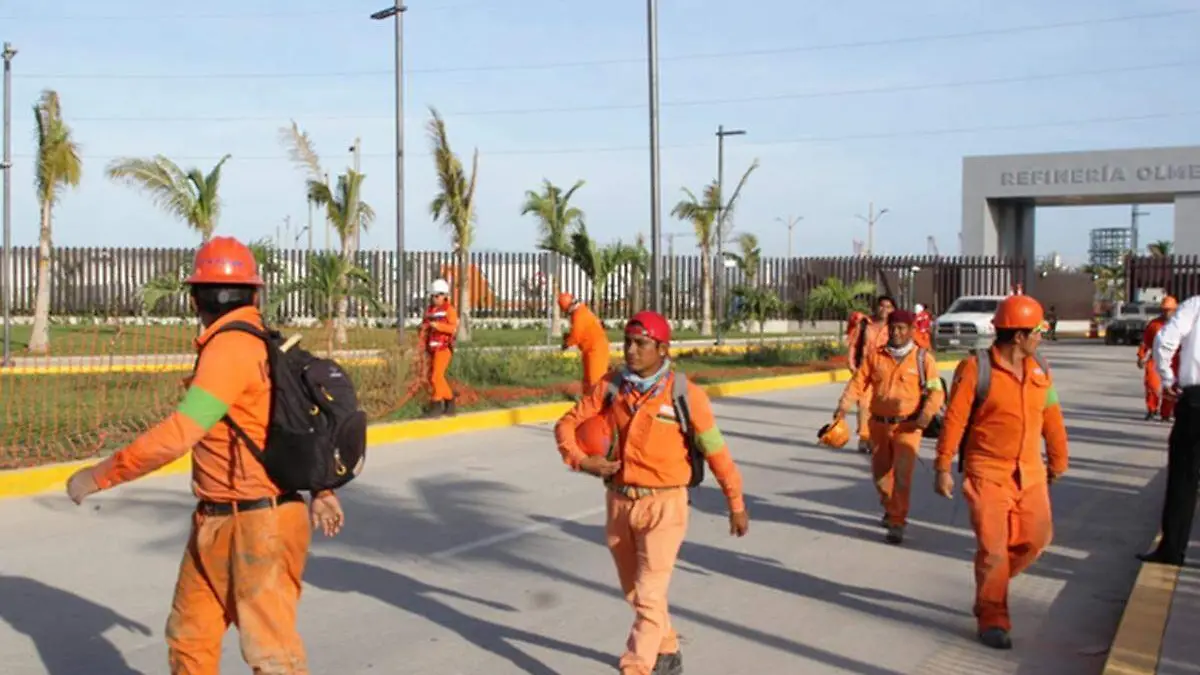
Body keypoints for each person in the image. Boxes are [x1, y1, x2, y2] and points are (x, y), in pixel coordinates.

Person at [63, 236, 345, 674]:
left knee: (272, 656)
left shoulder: (229, 349)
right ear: (254, 293)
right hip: (221, 518)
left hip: (256, 525)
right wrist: (321, 487)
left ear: (197, 299)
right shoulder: (263, 342)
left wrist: (101, 474)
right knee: (190, 638)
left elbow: (182, 432)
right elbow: (290, 420)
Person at [553, 310, 749, 675]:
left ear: (662, 348)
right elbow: (566, 424)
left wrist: (735, 502)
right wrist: (582, 461)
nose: (630, 350)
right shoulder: (611, 386)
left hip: (665, 506)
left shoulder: (685, 396)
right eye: (627, 342)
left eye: (640, 344)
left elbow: (716, 451)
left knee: (648, 592)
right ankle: (668, 649)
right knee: (636, 593)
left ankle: (636, 666)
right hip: (618, 502)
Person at [933, 294, 1068, 650]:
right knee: (993, 549)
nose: (1042, 335)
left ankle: (991, 587)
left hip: (1030, 473)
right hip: (987, 473)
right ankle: (993, 616)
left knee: (1036, 540)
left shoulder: (1040, 367)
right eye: (1038, 330)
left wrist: (1058, 458)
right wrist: (943, 466)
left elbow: (1051, 416)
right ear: (1019, 336)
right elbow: (955, 421)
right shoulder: (977, 370)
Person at [833, 309, 943, 544]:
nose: (896, 332)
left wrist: (926, 414)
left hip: (908, 428)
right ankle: (890, 505)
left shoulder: (924, 360)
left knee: (903, 476)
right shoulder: (876, 356)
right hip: (879, 426)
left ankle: (897, 521)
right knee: (881, 476)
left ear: (912, 331)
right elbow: (858, 383)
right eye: (893, 328)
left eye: (902, 328)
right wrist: (843, 407)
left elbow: (936, 391)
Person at [1140, 293, 1200, 566]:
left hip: (1195, 400)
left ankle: (1172, 549)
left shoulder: (1195, 306)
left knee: (1184, 478)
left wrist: (1168, 378)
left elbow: (1164, 341)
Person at [846, 295, 896, 453]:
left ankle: (879, 438)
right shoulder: (865, 324)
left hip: (886, 372)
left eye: (888, 307)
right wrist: (852, 364)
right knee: (863, 404)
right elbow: (854, 345)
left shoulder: (895, 327)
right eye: (882, 306)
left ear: (893, 310)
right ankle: (864, 437)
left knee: (881, 406)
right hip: (864, 369)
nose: (884, 310)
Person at [419, 279, 459, 418]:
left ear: (444, 295)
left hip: (444, 348)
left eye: (438, 296)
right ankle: (450, 400)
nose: (435, 299)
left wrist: (439, 326)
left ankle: (436, 405)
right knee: (434, 377)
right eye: (433, 296)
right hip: (432, 348)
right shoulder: (430, 310)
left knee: (436, 377)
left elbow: (453, 328)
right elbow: (425, 324)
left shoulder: (450, 310)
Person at [558, 292, 612, 393]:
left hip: (596, 349)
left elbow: (576, 335)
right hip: (590, 348)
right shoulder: (581, 310)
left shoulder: (579, 315)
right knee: (588, 380)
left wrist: (566, 344)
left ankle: (600, 404)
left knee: (595, 381)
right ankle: (589, 402)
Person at [1137, 296, 1179, 421]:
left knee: (1171, 388)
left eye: (1169, 310)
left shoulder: (1180, 326)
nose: (1167, 312)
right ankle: (1151, 409)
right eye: (1165, 309)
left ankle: (1165, 413)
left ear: (1175, 310)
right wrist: (1141, 356)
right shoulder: (1154, 324)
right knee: (1151, 384)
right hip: (1156, 359)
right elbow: (1145, 342)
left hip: (1174, 360)